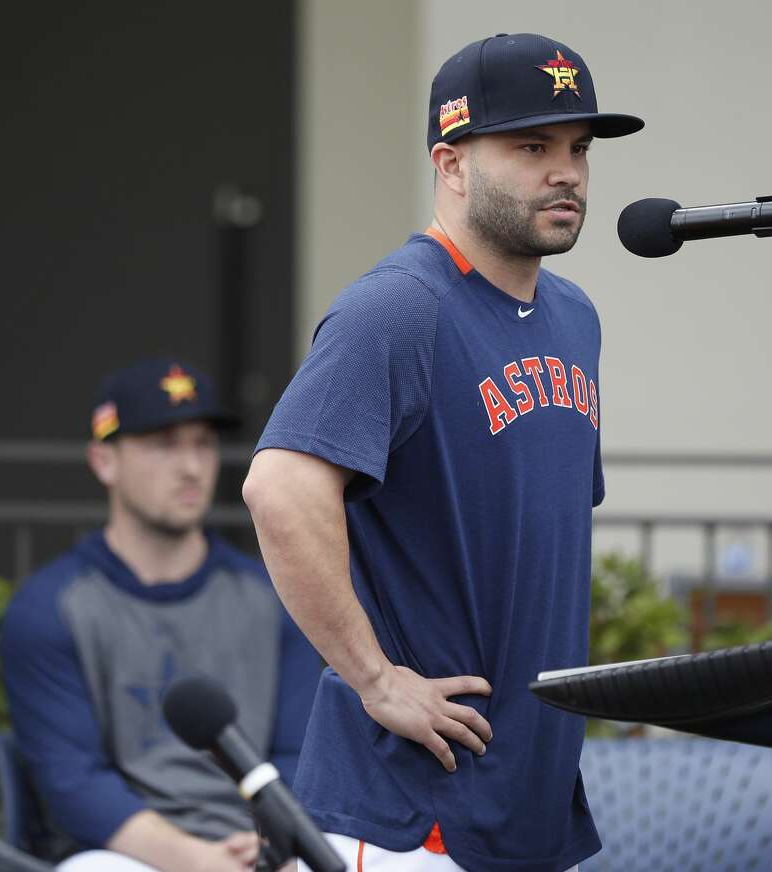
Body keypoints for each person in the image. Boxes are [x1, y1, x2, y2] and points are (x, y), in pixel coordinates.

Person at [242, 33, 643, 872]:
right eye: (532, 146)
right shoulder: (398, 309)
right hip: (412, 817)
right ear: (451, 163)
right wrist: (376, 678)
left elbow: (535, 547)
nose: (566, 171)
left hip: (528, 807)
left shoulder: (577, 318)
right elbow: (278, 488)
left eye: (577, 149)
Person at [0, 359, 324, 872]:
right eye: (163, 445)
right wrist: (197, 860)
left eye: (202, 444)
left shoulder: (275, 593)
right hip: (125, 856)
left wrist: (265, 843)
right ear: (104, 461)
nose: (191, 466)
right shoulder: (48, 607)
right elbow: (76, 782)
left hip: (266, 844)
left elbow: (299, 752)